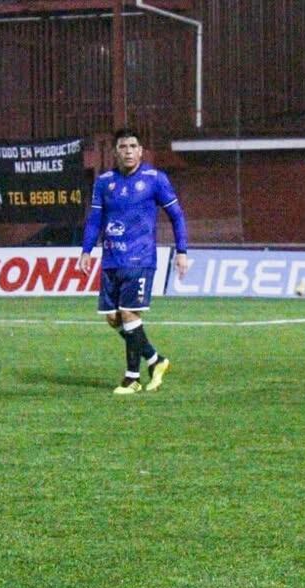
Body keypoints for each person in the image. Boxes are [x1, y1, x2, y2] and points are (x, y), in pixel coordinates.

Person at [79, 128, 189, 395]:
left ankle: (132, 378)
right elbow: (95, 220)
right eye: (123, 147)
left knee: (129, 314)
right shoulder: (105, 182)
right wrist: (86, 250)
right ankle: (154, 360)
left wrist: (182, 251)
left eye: (132, 146)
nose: (128, 151)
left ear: (141, 151)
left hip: (139, 258)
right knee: (113, 318)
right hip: (111, 259)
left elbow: (177, 215)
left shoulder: (155, 179)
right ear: (116, 152)